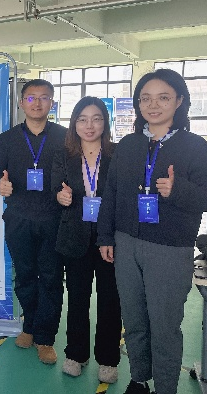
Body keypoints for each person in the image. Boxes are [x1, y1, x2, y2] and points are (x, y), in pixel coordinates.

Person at [97, 68, 207, 394]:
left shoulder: (195, 147)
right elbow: (111, 193)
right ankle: (139, 379)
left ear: (179, 101)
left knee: (164, 326)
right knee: (134, 321)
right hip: (126, 243)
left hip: (170, 249)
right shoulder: (128, 145)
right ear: (138, 104)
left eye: (163, 98)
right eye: (146, 99)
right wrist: (106, 236)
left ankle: (165, 387)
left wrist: (178, 190)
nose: (153, 105)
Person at [0, 79, 67, 364]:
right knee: (24, 276)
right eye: (31, 98)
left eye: (44, 98)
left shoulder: (65, 137)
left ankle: (46, 338)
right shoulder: (7, 139)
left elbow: (76, 174)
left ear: (52, 103)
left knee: (51, 278)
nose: (37, 103)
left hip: (53, 219)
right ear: (21, 103)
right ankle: (29, 326)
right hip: (18, 218)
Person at [51, 97, 122, 384]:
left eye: (96, 119)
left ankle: (108, 359)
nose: (89, 125)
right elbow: (55, 188)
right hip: (74, 237)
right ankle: (75, 354)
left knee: (110, 301)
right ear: (74, 123)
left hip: (109, 239)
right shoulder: (63, 155)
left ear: (105, 122)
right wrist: (61, 196)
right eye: (82, 119)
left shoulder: (116, 154)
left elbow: (122, 196)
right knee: (77, 299)